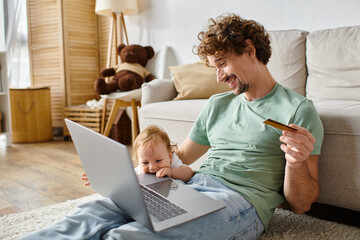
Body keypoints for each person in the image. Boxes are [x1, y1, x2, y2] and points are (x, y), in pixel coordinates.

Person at [21, 13, 324, 240]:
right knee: (94, 213)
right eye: (213, 67)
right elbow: (181, 156)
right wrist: (125, 174)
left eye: (222, 63)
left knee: (127, 236)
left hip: (240, 203)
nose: (218, 76)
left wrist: (295, 162)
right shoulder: (219, 105)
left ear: (249, 49)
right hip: (189, 185)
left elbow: (301, 204)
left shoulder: (297, 110)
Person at [82, 125, 194, 183]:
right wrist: (101, 179)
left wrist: (172, 172)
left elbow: (188, 173)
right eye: (145, 162)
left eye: (158, 161)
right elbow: (122, 179)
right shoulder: (140, 170)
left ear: (169, 156)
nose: (152, 167)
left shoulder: (172, 162)